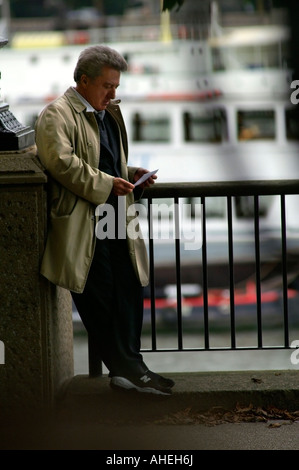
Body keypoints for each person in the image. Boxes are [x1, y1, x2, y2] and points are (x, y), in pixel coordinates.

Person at [35, 44, 175, 396]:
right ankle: (130, 371)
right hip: (84, 224)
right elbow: (62, 164)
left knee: (129, 286)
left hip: (115, 216)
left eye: (116, 85)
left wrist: (129, 173)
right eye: (107, 86)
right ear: (84, 81)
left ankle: (132, 368)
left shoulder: (106, 111)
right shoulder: (56, 115)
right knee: (100, 299)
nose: (114, 93)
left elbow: (102, 160)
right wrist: (108, 183)